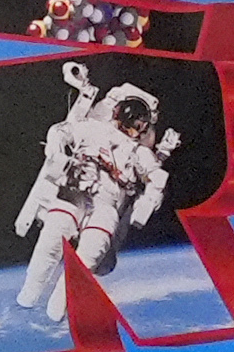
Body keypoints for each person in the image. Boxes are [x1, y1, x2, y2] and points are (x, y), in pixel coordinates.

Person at [9, 64, 171, 334]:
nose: (135, 129)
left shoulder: (138, 152)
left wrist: (144, 206)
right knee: (52, 239)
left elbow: (158, 178)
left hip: (107, 203)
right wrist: (57, 152)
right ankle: (30, 292)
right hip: (75, 191)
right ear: (119, 114)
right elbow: (61, 131)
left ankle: (58, 304)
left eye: (140, 126)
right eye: (133, 122)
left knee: (91, 252)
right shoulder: (93, 128)